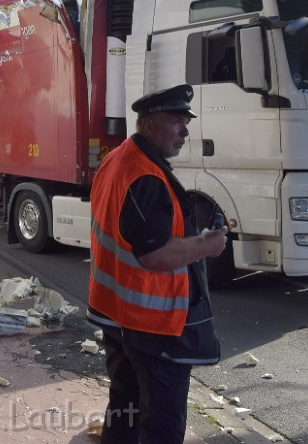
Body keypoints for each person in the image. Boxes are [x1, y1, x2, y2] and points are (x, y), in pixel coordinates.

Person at [88, 83, 228, 443]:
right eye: (176, 122)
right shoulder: (146, 177)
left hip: (117, 312)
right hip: (151, 325)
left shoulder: (119, 158)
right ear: (149, 125)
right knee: (162, 423)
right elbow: (154, 253)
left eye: (186, 122)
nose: (184, 131)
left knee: (125, 405)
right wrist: (205, 246)